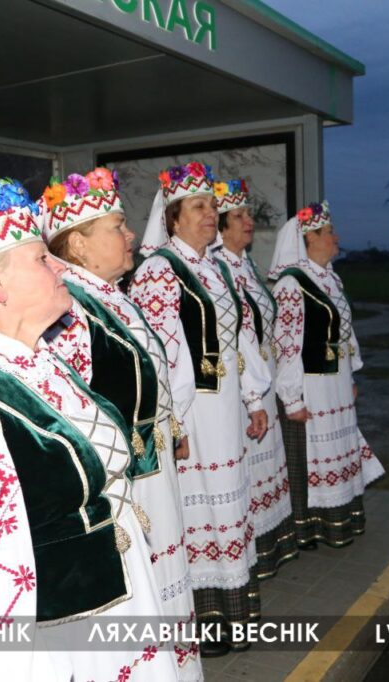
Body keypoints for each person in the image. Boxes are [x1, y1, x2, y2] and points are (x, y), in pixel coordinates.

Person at [0, 179, 179, 681]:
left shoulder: (40, 362)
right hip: (61, 644)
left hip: (116, 608)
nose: (61, 267)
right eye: (42, 259)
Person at [40, 167, 201, 678]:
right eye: (116, 226)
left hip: (151, 469)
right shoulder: (71, 309)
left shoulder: (110, 295)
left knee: (167, 582)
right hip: (126, 480)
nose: (131, 234)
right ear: (79, 244)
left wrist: (171, 427)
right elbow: (71, 413)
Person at [130, 162, 270, 657]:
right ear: (173, 218)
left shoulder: (214, 267)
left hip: (224, 409)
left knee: (227, 503)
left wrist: (254, 397)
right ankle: (208, 620)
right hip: (193, 415)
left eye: (213, 206)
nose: (211, 213)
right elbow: (162, 357)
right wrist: (174, 422)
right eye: (199, 206)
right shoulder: (158, 272)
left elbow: (239, 338)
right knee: (199, 507)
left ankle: (235, 612)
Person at [269, 201, 385, 550]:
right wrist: (291, 398)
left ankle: (342, 519)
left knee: (340, 448)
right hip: (312, 383)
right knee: (314, 455)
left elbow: (345, 333)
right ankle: (310, 528)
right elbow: (286, 344)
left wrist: (350, 375)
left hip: (336, 382)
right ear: (310, 238)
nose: (337, 238)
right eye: (330, 232)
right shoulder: (292, 284)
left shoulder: (331, 278)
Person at [211, 178, 298, 578]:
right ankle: (249, 552)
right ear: (221, 226)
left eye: (249, 214)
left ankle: (269, 547)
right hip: (244, 384)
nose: (249, 221)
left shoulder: (245, 265)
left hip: (264, 377)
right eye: (239, 216)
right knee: (249, 471)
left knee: (267, 469)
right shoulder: (218, 270)